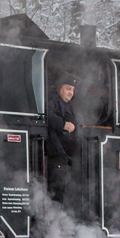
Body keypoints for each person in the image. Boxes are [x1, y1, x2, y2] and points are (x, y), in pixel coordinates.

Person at [46, 74, 79, 203]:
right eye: (68, 88)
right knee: (56, 187)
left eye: (72, 90)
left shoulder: (69, 105)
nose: (71, 93)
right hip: (55, 152)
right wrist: (63, 124)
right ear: (60, 88)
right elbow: (46, 114)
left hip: (65, 153)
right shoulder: (52, 100)